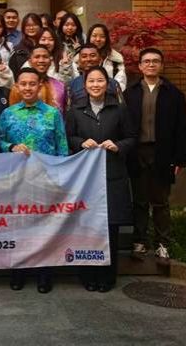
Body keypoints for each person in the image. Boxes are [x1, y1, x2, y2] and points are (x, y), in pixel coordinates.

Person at [0, 67, 68, 294]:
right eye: (23, 84)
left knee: (45, 228)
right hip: (17, 181)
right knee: (19, 227)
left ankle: (44, 274)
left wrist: (60, 178)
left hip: (45, 180)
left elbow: (62, 147)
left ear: (39, 86)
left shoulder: (52, 114)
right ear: (17, 86)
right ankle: (19, 272)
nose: (27, 88)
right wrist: (10, 146)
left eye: (32, 83)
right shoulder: (8, 114)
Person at [66, 66, 136, 292]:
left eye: (100, 81)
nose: (95, 85)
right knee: (86, 226)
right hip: (86, 177)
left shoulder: (119, 109)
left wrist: (118, 145)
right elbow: (68, 137)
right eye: (91, 81)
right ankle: (88, 275)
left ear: (108, 84)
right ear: (84, 85)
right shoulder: (75, 110)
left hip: (112, 174)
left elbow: (131, 138)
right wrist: (80, 142)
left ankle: (107, 277)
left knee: (110, 227)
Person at [124, 48, 186, 265]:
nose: (151, 64)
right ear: (140, 66)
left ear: (161, 65)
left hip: (163, 153)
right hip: (137, 152)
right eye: (146, 61)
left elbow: (182, 129)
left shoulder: (174, 94)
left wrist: (180, 158)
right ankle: (139, 242)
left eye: (155, 61)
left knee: (160, 201)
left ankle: (163, 244)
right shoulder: (130, 93)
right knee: (139, 201)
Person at [10, 45, 67, 116]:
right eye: (37, 57)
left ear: (50, 61)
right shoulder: (19, 88)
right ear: (30, 61)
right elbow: (12, 115)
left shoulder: (60, 86)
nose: (41, 60)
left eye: (45, 57)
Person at [83, 23, 127, 90]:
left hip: (110, 94)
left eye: (102, 36)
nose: (98, 39)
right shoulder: (80, 59)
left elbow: (120, 84)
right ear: (89, 38)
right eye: (94, 36)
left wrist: (102, 92)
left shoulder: (116, 59)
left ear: (107, 39)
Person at [8, 13, 42, 78]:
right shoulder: (18, 49)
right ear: (23, 28)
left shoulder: (46, 45)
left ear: (40, 26)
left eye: (34, 25)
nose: (31, 28)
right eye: (28, 25)